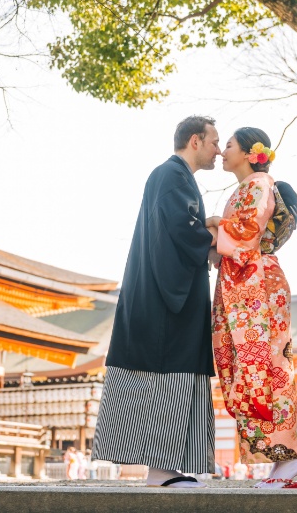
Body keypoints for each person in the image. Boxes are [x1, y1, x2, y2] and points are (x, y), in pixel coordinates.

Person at [92, 116, 221, 489]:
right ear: (195, 141)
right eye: (214, 141)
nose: (217, 149)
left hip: (168, 292)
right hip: (166, 299)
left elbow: (184, 226)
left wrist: (207, 227)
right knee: (168, 377)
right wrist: (213, 235)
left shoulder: (175, 177)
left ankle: (169, 469)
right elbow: (183, 230)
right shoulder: (171, 176)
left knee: (179, 377)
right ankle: (161, 472)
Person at [211, 127, 297, 489]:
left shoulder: (259, 184)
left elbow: (247, 231)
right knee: (245, 371)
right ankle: (281, 461)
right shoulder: (248, 187)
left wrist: (213, 223)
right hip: (243, 283)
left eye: (229, 145)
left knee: (267, 368)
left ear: (250, 153)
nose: (222, 151)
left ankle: (290, 462)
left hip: (257, 286)